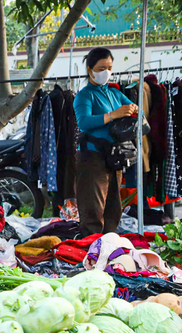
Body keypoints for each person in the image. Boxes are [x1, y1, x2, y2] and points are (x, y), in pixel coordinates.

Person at [73, 47, 139, 236]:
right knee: (93, 207)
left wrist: (133, 109)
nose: (106, 72)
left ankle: (109, 242)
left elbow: (139, 113)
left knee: (113, 206)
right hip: (91, 157)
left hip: (114, 157)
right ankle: (91, 245)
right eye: (101, 68)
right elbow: (84, 122)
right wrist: (113, 115)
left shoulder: (114, 93)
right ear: (90, 70)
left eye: (109, 68)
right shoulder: (85, 95)